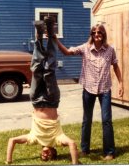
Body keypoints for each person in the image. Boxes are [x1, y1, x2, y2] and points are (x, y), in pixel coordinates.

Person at [5, 17, 80, 165]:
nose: (45, 156)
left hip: (36, 100)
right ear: (54, 152)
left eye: (43, 157)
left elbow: (12, 140)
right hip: (52, 101)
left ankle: (39, 34)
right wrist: (75, 163)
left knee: (37, 69)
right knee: (49, 70)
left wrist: (8, 161)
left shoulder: (34, 138)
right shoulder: (57, 139)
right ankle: (51, 29)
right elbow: (72, 144)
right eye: (49, 157)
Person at [53, 24, 124, 161]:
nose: (97, 34)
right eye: (94, 32)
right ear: (91, 34)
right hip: (88, 89)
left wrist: (121, 84)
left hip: (104, 89)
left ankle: (109, 152)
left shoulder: (110, 50)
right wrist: (55, 39)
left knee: (106, 121)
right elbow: (67, 52)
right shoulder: (85, 48)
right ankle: (85, 149)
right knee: (87, 120)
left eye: (100, 32)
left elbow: (115, 66)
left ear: (104, 34)